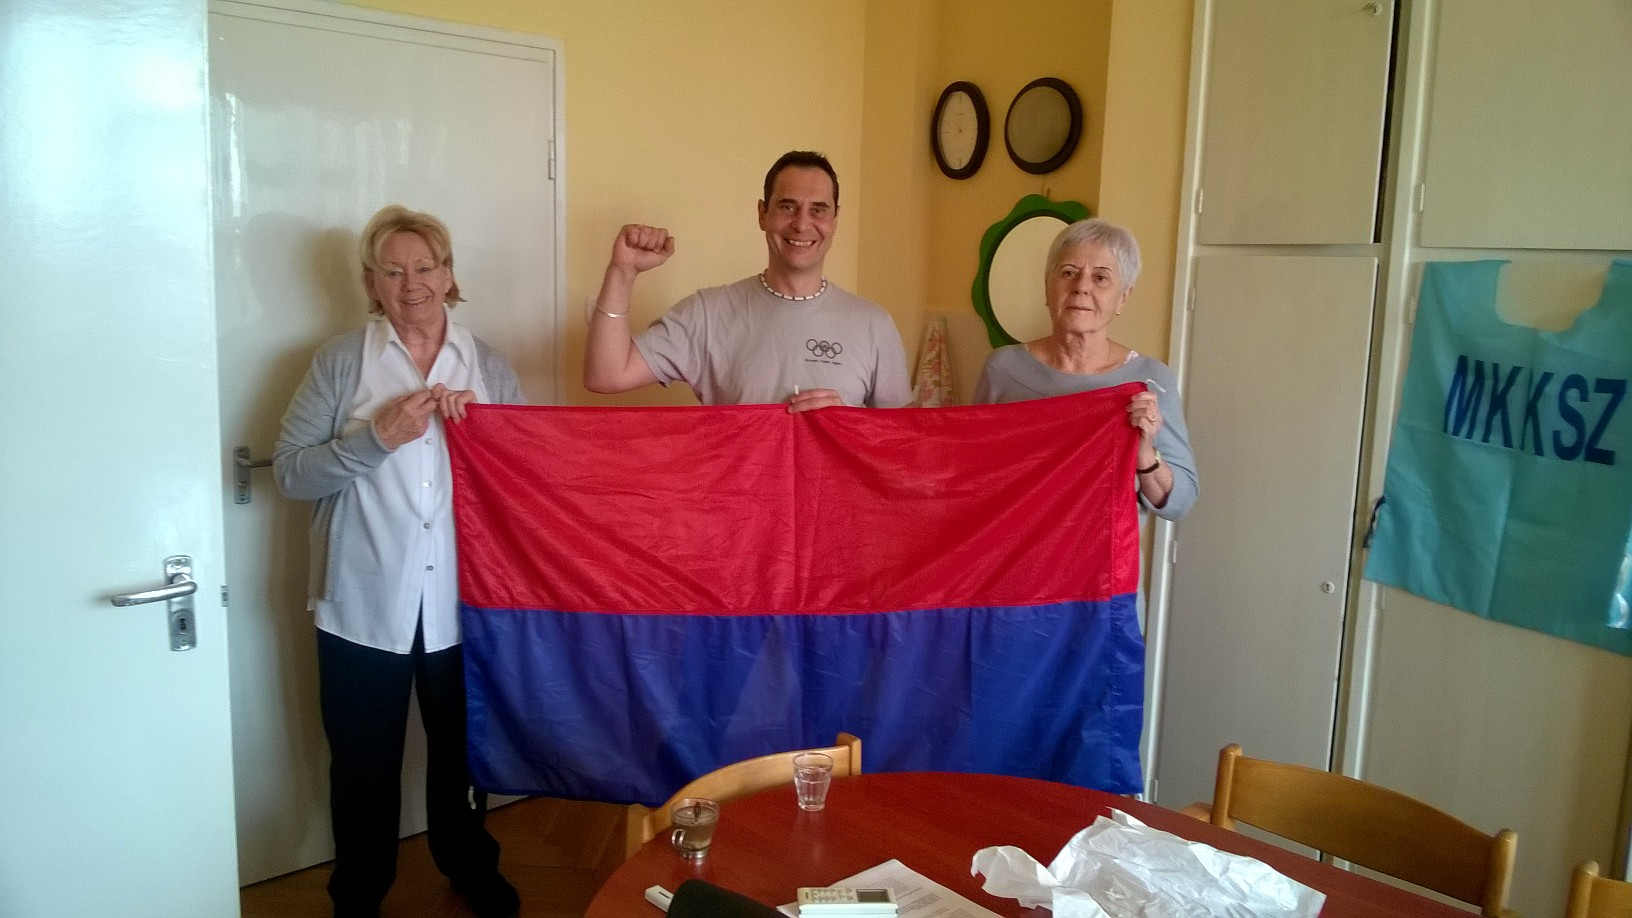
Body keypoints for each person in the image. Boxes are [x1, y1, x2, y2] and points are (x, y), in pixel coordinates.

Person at [274, 205, 522, 918]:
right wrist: (375, 437)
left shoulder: (488, 364)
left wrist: (491, 437)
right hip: (360, 606)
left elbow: (527, 482)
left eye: (424, 267)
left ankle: (469, 867)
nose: (411, 283)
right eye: (392, 271)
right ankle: (357, 895)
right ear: (371, 283)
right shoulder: (341, 361)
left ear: (448, 276)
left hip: (463, 610)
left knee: (463, 757)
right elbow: (290, 474)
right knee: (362, 768)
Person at [583, 150, 912, 411]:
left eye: (818, 210)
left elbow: (902, 444)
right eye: (788, 207)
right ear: (762, 214)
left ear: (834, 220)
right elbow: (605, 375)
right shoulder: (708, 314)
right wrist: (622, 272)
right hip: (737, 482)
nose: (802, 224)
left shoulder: (874, 325)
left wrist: (850, 425)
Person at [974, 217, 1197, 523]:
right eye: (1068, 273)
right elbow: (971, 472)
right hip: (1015, 547)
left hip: (1104, 553)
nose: (1081, 287)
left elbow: (1180, 503)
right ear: (1048, 288)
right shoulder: (1002, 369)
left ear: (1123, 297)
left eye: (1101, 278)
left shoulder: (1151, 380)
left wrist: (1144, 454)